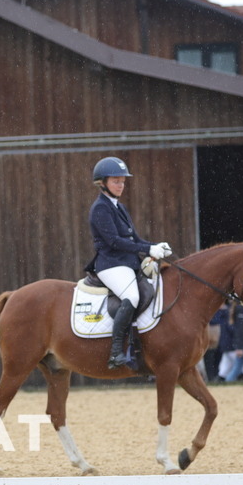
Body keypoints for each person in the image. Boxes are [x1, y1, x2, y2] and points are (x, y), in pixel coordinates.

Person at [87, 157, 172, 368]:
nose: (121, 185)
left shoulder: (120, 208)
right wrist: (147, 249)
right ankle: (116, 352)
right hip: (111, 265)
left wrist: (155, 247)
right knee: (132, 296)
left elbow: (134, 240)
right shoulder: (100, 208)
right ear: (102, 183)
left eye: (123, 182)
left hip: (128, 263)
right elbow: (114, 242)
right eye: (116, 181)